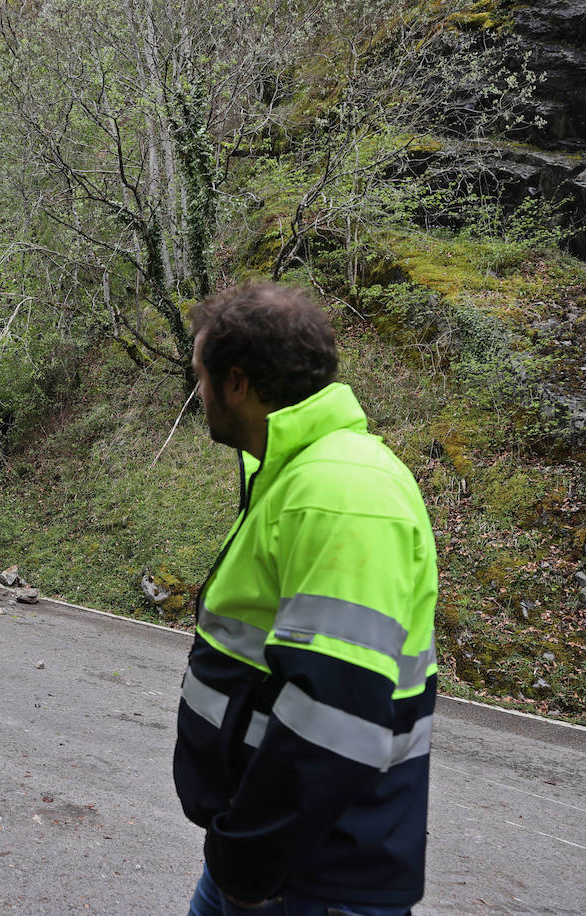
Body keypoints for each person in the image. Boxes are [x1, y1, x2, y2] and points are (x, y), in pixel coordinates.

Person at [176, 283, 438, 916]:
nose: (197, 395)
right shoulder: (292, 471)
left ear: (236, 382)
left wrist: (248, 865)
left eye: (199, 378)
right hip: (271, 862)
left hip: (309, 878)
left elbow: (337, 714)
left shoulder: (341, 491)